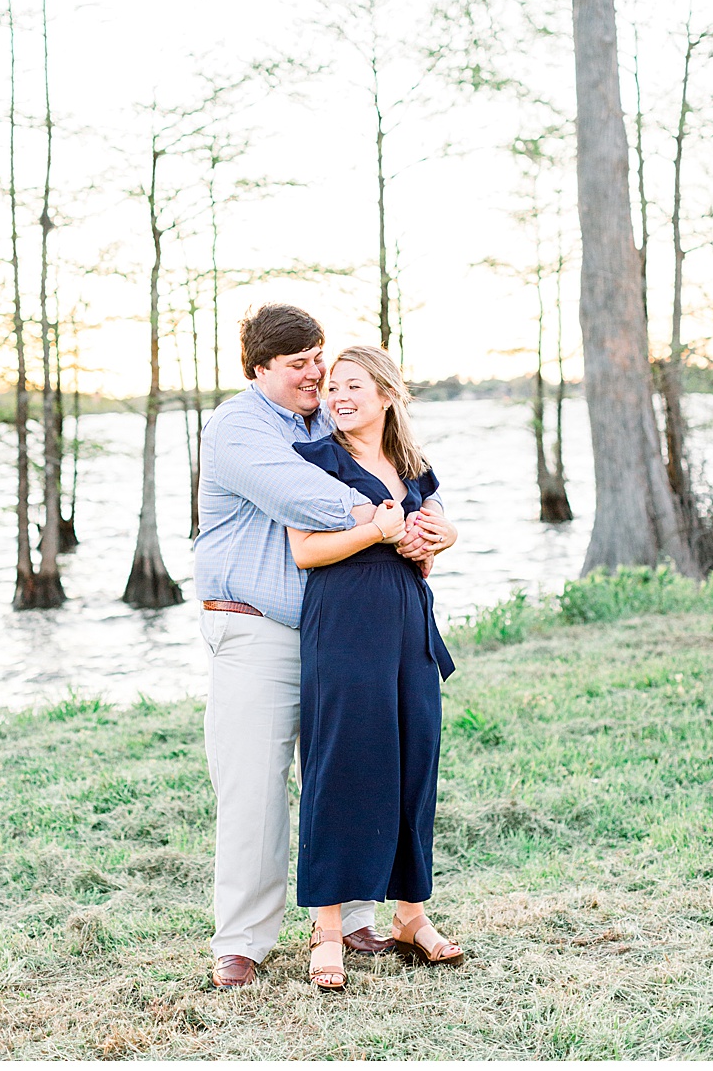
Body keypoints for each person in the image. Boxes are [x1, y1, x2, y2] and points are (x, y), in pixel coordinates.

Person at [194, 305, 455, 991]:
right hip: (254, 626)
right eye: (297, 364)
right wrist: (392, 521)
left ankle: (359, 916)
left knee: (356, 766)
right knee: (253, 784)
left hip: (337, 630)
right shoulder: (239, 426)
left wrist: (432, 533)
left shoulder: (327, 420)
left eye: (318, 357)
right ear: (259, 371)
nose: (316, 374)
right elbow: (304, 496)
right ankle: (243, 942)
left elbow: (393, 468)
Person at [286, 345, 463, 990]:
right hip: (344, 625)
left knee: (416, 758)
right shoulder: (315, 463)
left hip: (409, 624)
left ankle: (411, 916)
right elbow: (305, 553)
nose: (337, 396)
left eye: (352, 385)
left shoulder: (414, 466)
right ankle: (328, 929)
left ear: (386, 394)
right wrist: (378, 533)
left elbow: (432, 545)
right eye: (332, 386)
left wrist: (431, 540)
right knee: (340, 765)